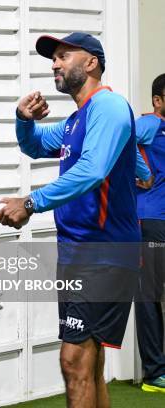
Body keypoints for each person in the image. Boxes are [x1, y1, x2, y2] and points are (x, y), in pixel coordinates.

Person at [0, 32, 142, 407]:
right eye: (53, 58)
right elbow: (35, 145)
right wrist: (23, 120)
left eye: (63, 56)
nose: (54, 64)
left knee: (73, 359)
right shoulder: (79, 119)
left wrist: (30, 203)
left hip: (104, 255)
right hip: (78, 254)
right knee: (88, 364)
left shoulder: (107, 107)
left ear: (91, 62)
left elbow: (93, 171)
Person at [135, 73, 165, 393]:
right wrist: (140, 174)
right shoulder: (149, 124)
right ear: (158, 100)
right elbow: (122, 140)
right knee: (148, 297)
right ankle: (154, 373)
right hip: (150, 221)